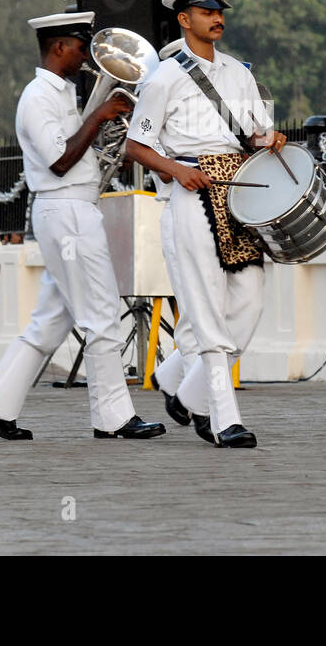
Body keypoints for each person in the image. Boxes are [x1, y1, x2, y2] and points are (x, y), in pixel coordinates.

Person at [0, 11, 165, 441]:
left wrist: (100, 122)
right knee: (101, 318)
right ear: (58, 47)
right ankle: (113, 418)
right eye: (81, 46)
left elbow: (75, 150)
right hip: (66, 212)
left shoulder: (60, 95)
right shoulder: (37, 97)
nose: (88, 56)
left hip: (74, 211)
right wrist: (99, 118)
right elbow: (59, 161)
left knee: (49, 323)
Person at [126, 0, 287, 448]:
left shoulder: (239, 72)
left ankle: (185, 389)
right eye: (206, 11)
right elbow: (138, 145)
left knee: (250, 301)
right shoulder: (164, 77)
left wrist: (271, 139)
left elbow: (257, 131)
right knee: (205, 305)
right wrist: (175, 169)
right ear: (184, 19)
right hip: (192, 191)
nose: (217, 18)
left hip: (237, 190)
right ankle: (223, 418)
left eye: (220, 11)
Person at [141, 37, 197, 427]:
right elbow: (162, 168)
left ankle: (172, 377)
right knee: (196, 309)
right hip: (177, 210)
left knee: (210, 312)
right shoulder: (161, 100)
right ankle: (197, 401)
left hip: (209, 213)